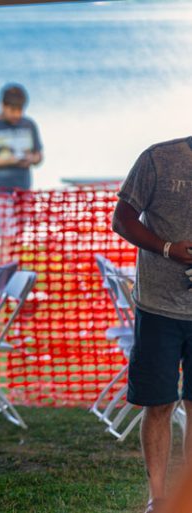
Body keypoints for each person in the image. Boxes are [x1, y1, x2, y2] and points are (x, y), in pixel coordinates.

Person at [112, 137, 192, 513]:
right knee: (158, 405)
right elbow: (122, 219)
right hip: (158, 306)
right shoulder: (159, 159)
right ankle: (157, 499)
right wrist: (166, 248)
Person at [0, 83, 43, 261]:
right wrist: (6, 161)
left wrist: (32, 159)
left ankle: (6, 279)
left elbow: (39, 155)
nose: (17, 114)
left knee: (16, 238)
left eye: (20, 110)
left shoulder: (29, 125)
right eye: (13, 110)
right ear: (3, 106)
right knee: (8, 235)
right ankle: (0, 284)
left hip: (23, 191)